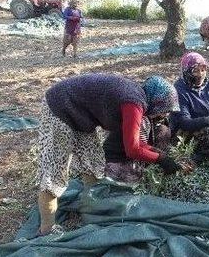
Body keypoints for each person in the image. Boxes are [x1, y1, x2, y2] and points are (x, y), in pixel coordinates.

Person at [37, 74, 181, 235]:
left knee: (93, 163)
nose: (164, 116)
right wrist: (161, 159)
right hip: (59, 108)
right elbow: (132, 149)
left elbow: (136, 142)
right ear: (157, 103)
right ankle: (47, 230)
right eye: (164, 111)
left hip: (81, 117)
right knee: (54, 173)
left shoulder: (138, 98)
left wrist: (161, 156)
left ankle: (90, 207)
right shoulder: (133, 103)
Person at [103, 114, 185, 183]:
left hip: (127, 157)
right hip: (117, 160)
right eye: (165, 111)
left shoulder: (147, 118)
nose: (166, 115)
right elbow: (134, 149)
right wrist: (160, 158)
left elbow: (138, 143)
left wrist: (155, 151)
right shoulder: (138, 116)